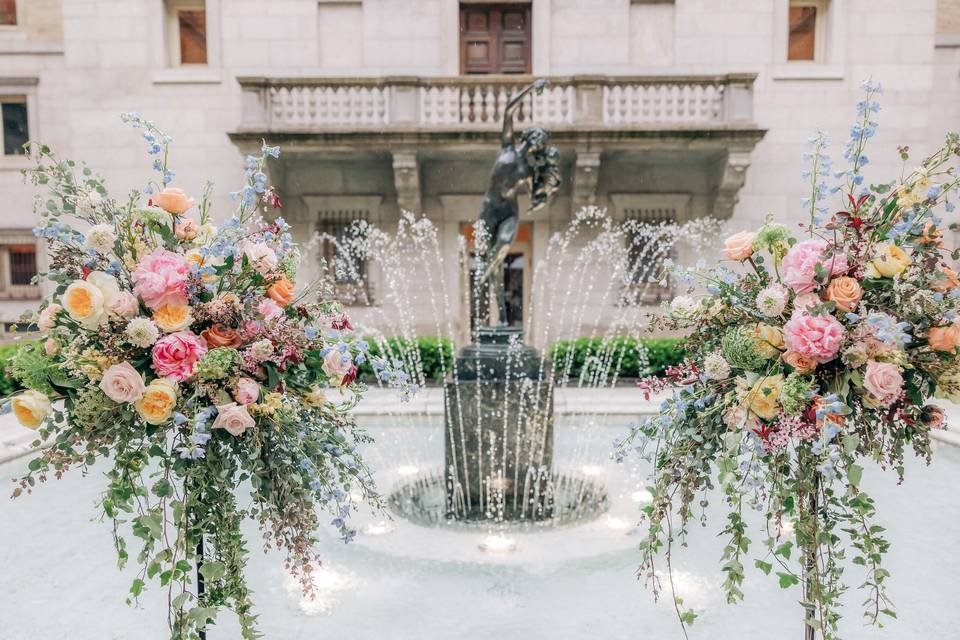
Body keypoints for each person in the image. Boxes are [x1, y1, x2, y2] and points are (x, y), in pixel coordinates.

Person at [475, 78, 561, 326]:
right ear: (530, 136)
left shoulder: (529, 170)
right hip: (489, 209)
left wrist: (549, 185)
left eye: (542, 143)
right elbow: (508, 110)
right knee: (494, 265)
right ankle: (501, 317)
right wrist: (531, 89)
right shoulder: (507, 148)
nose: (539, 144)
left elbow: (539, 196)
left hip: (510, 213)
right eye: (538, 139)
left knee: (501, 248)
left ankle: (480, 281)